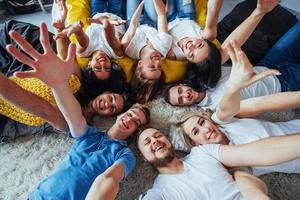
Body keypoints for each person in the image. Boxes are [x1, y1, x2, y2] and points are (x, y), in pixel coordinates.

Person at [6, 22, 151, 199]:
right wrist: (58, 84)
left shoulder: (125, 155)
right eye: (130, 114)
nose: (130, 119)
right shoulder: (89, 134)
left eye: (135, 122)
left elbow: (109, 180)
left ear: (136, 131)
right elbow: (73, 120)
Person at [171, 41, 300, 176]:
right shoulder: (227, 163)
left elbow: (259, 104)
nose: (206, 129)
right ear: (195, 144)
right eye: (196, 132)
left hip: (269, 75)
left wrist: (234, 86)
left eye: (202, 122)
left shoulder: (220, 121)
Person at [165, 20, 300, 118]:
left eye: (180, 91)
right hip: (283, 84)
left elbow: (226, 48)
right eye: (181, 100)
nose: (185, 95)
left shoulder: (202, 74)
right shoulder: (214, 110)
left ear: (182, 84)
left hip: (268, 63)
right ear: (185, 107)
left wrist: (260, 11)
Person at [137, 127, 300, 200]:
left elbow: (255, 152)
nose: (155, 141)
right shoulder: (160, 192)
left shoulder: (202, 152)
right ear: (144, 157)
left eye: (157, 136)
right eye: (147, 142)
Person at [169, 0, 296, 90]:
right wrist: (260, 12)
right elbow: (227, 49)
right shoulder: (183, 65)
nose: (190, 46)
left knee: (247, 9)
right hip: (234, 53)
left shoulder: (206, 36)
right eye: (191, 54)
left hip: (217, 38)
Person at [122, 0, 174, 103]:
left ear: (140, 64)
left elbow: (133, 23)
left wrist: (142, 3)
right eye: (159, 67)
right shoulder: (163, 47)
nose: (158, 62)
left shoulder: (129, 48)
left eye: (151, 67)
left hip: (134, 20)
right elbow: (161, 15)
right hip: (153, 21)